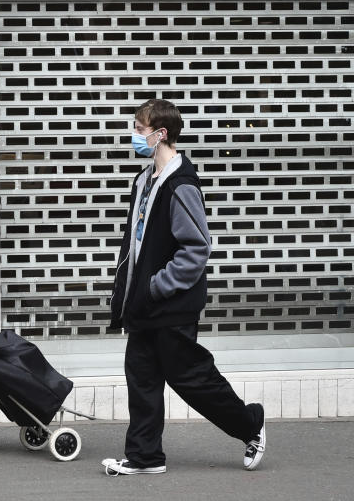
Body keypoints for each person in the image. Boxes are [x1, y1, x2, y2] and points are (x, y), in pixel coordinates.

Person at [102, 99, 267, 476]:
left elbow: (197, 248)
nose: (133, 136)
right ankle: (145, 457)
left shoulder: (181, 184)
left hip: (171, 303)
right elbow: (136, 244)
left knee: (189, 376)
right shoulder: (145, 180)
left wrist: (158, 286)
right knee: (140, 375)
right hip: (144, 305)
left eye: (139, 130)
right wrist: (124, 291)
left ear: (160, 134)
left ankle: (250, 423)